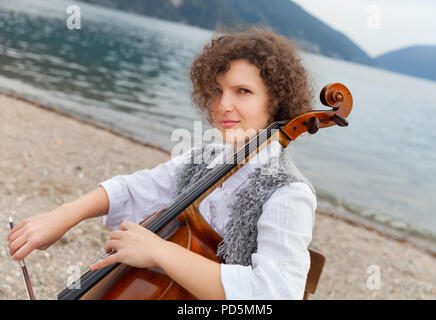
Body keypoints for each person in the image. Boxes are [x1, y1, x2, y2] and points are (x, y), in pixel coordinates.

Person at [7, 25, 317, 300]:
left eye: (243, 91)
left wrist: (160, 251)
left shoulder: (288, 193)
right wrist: (62, 217)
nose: (223, 105)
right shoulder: (207, 159)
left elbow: (274, 293)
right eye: (217, 91)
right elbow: (136, 188)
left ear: (275, 100)